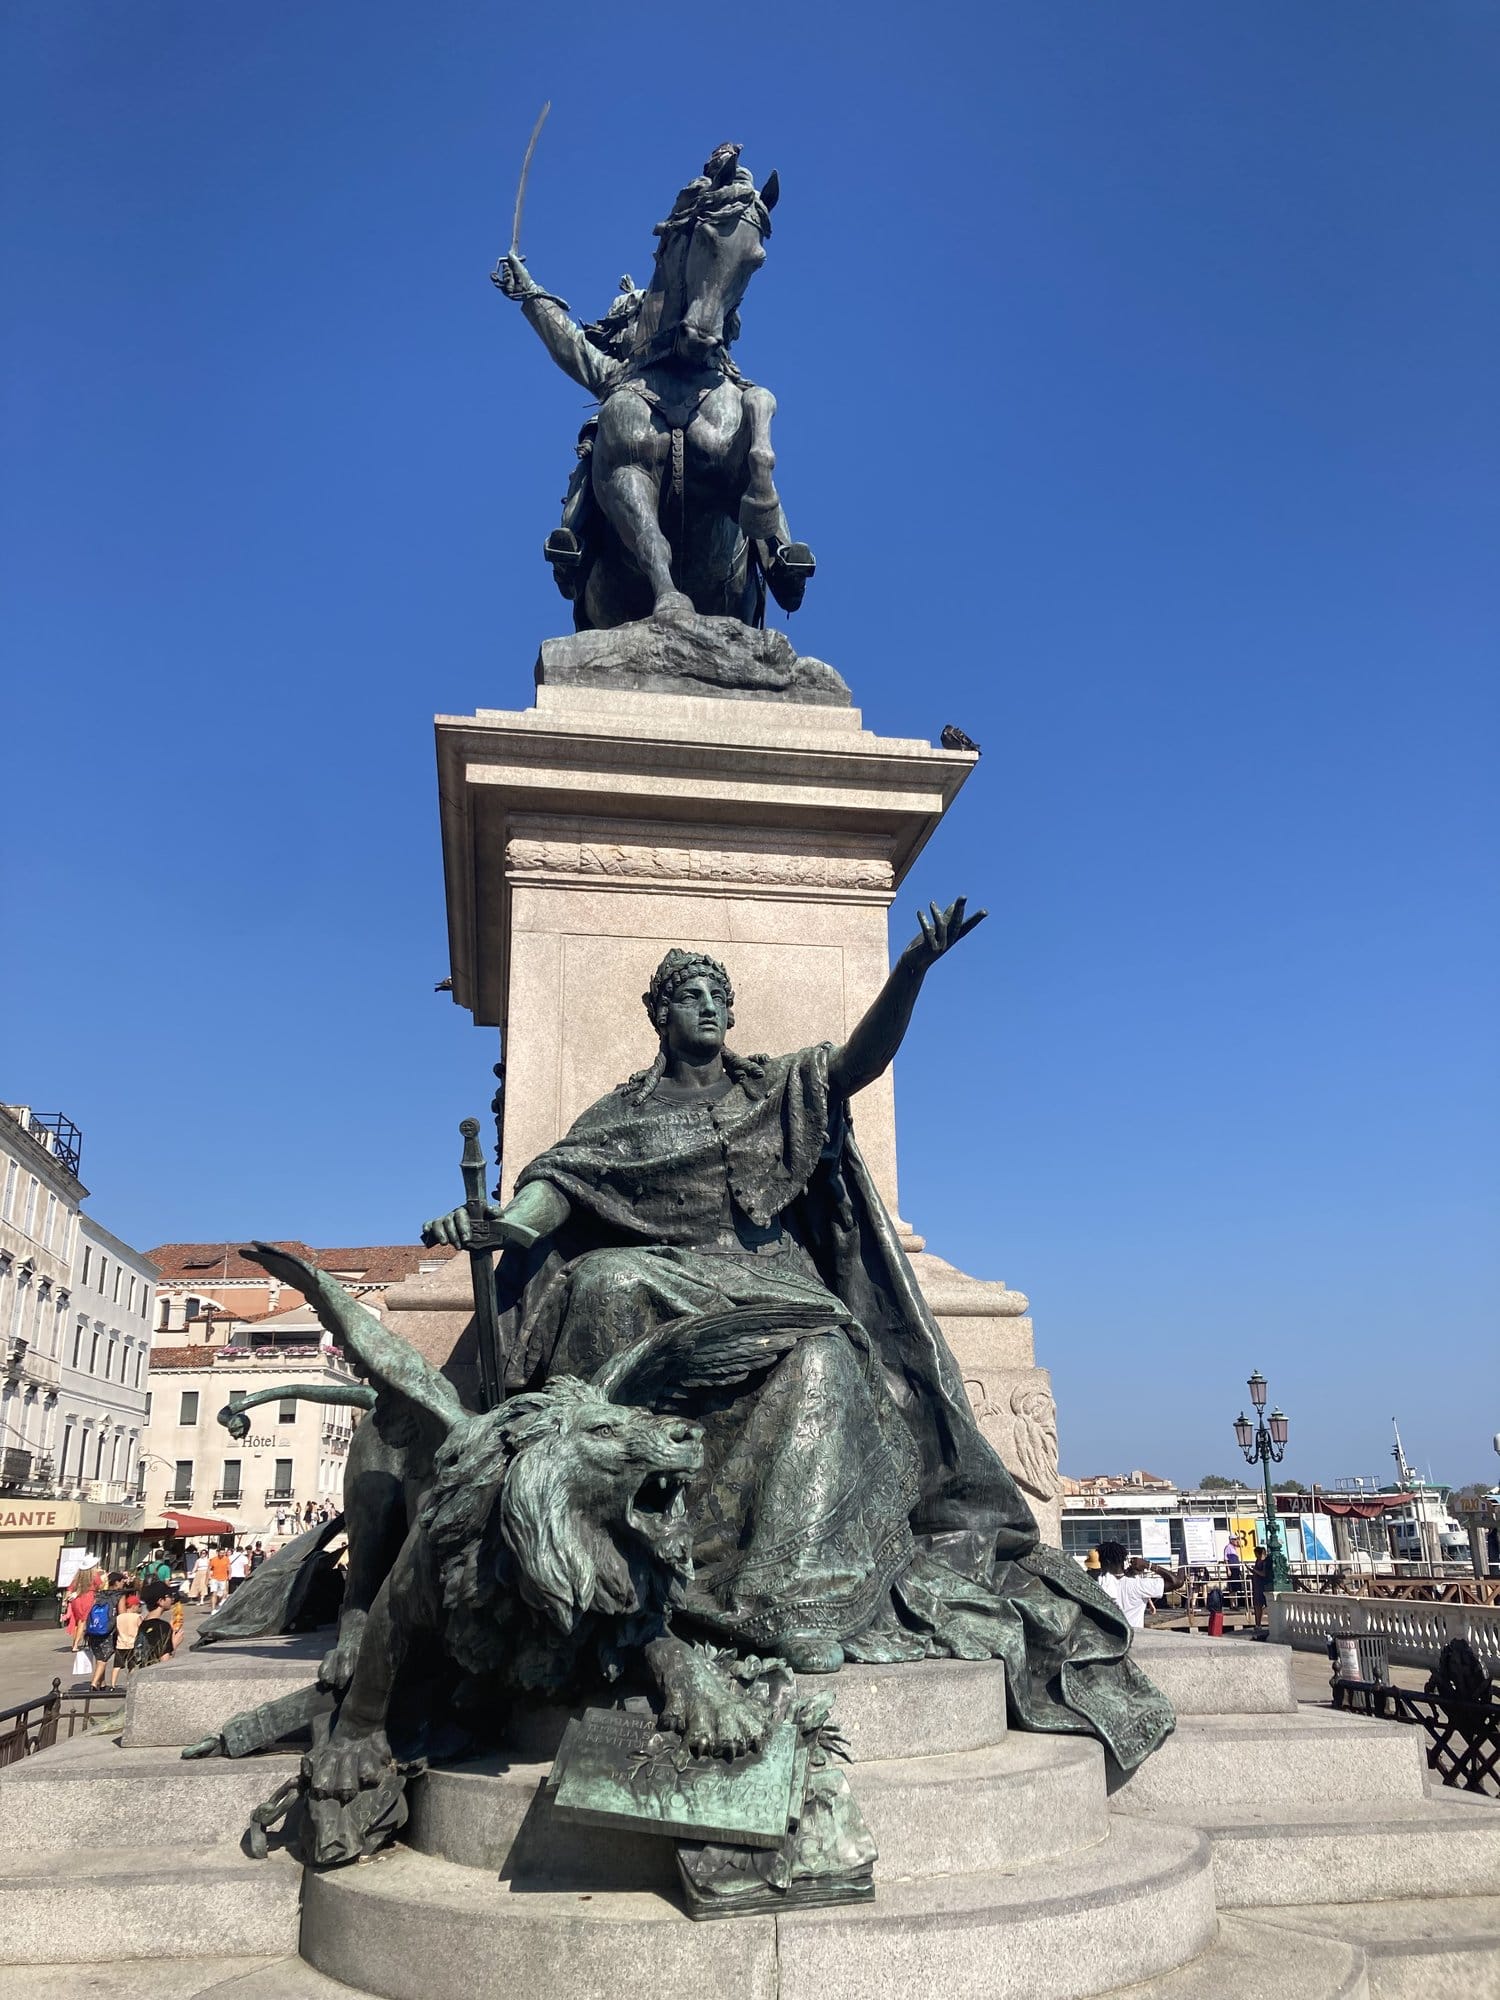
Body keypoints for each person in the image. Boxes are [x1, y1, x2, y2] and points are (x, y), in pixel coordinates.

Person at [417, 923, 1174, 1771]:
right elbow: (549, 1199)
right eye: (687, 997)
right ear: (659, 1015)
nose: (706, 1007)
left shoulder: (771, 1090)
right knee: (603, 1283)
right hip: (669, 1279)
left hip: (770, 1286)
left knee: (822, 1359)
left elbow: (858, 1065)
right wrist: (491, 1228)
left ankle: (795, 1597)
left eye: (716, 996)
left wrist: (912, 970)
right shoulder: (620, 1120)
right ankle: (601, 1550)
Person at [1093, 1542, 1170, 1632]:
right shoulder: (1138, 1584)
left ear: (1106, 1562)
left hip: (1108, 1638)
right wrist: (1148, 1565)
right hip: (1135, 1637)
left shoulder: (1099, 1583)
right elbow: (1176, 1581)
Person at [111, 1590, 142, 1686]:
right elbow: (141, 1630)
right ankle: (130, 1683)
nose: (139, 1607)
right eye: (138, 1605)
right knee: (131, 1666)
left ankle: (112, 1684)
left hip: (120, 1644)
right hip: (132, 1645)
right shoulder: (137, 1617)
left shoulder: (119, 1617)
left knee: (116, 1666)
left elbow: (116, 1630)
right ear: (134, 1606)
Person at [1251, 1541, 1272, 1630]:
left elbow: (1263, 1574)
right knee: (1256, 1605)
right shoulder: (1257, 1561)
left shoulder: (1265, 1562)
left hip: (1262, 1585)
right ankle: (1257, 1624)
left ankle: (1261, 1623)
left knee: (1262, 1604)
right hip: (1256, 1584)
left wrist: (1255, 1570)